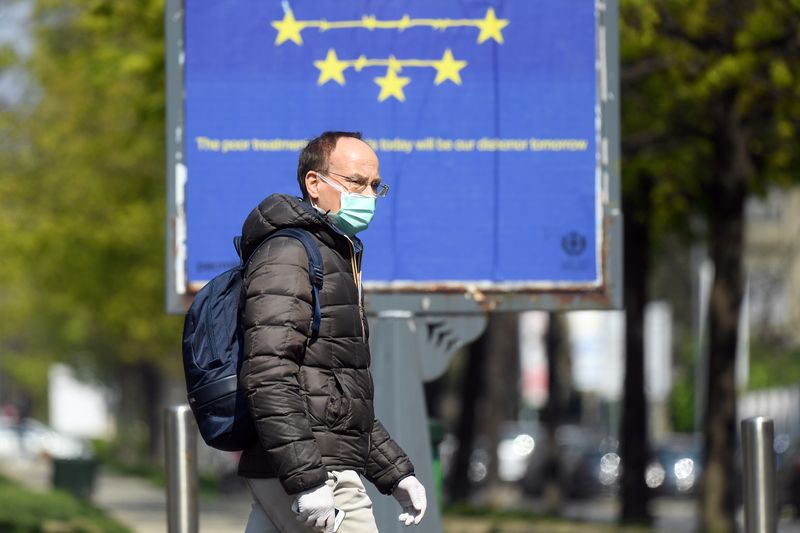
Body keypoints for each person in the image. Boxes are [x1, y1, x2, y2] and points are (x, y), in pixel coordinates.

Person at [237, 131, 427, 533]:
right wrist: (307, 480)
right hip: (317, 471)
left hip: (297, 464)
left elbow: (336, 394)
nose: (368, 195)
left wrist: (395, 473)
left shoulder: (335, 255)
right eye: (357, 182)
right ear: (314, 183)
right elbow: (267, 372)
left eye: (376, 186)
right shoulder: (290, 254)